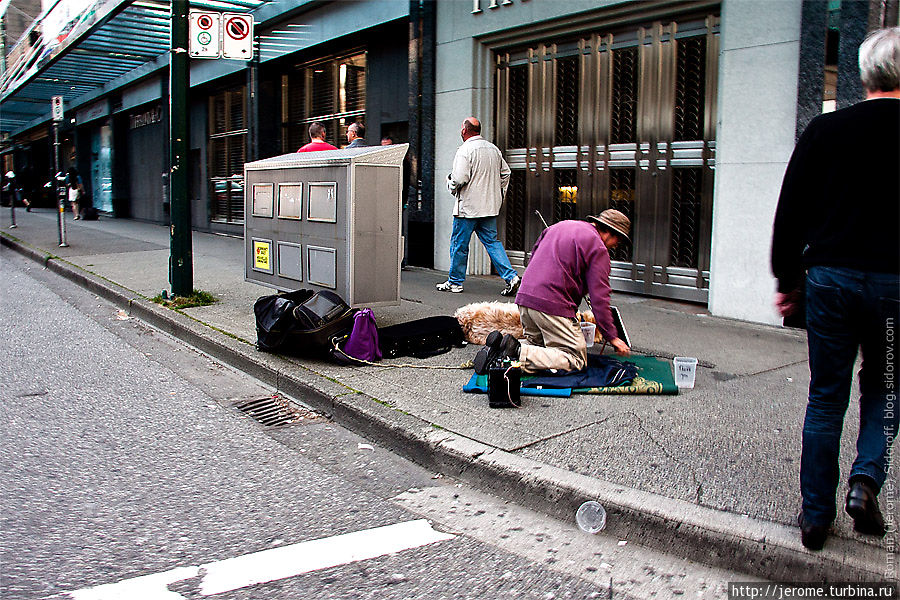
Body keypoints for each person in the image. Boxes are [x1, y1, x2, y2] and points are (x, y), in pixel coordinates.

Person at [771, 27, 900, 551]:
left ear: (863, 73)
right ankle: (865, 481)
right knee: (886, 386)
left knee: (826, 396)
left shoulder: (826, 130)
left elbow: (791, 211)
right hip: (895, 286)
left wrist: (786, 279)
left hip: (831, 281)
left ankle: (816, 516)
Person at [474, 210, 632, 374]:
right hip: (551, 305)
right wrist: (612, 336)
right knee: (576, 358)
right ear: (610, 233)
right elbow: (600, 298)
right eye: (617, 242)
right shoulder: (598, 248)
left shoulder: (558, 227)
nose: (614, 246)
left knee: (540, 348)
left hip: (524, 300)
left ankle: (501, 349)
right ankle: (517, 352)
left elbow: (532, 258)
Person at [436, 117, 519, 296]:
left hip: (467, 208)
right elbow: (506, 173)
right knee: (492, 242)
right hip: (489, 207)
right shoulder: (493, 149)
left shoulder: (465, 150)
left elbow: (459, 178)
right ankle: (511, 277)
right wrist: (498, 194)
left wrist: (449, 183)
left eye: (461, 128)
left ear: (465, 130)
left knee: (459, 245)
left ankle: (455, 282)